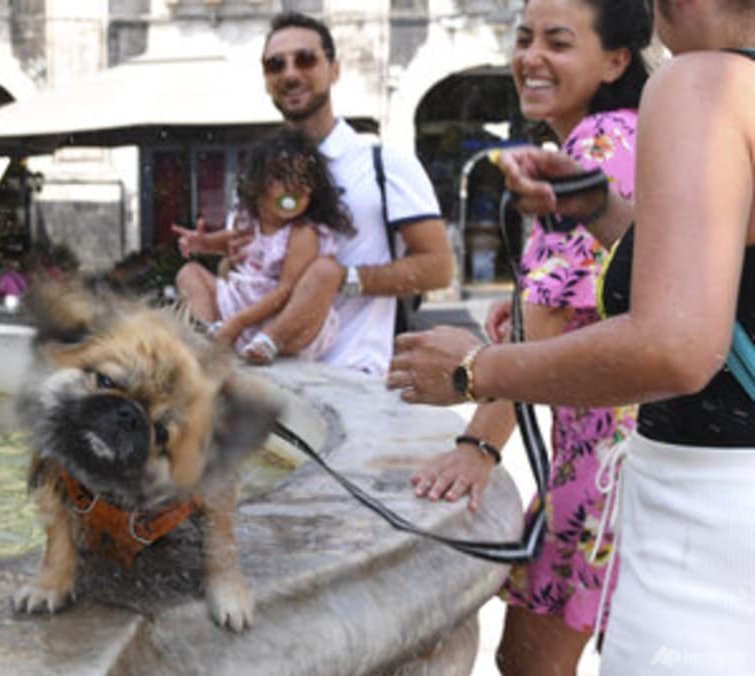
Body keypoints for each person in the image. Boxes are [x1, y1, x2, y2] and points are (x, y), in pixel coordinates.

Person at [387, 0, 755, 671]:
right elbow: (724, 282)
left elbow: (676, 344)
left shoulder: (703, 81)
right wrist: (603, 210)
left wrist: (476, 373)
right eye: (524, 38)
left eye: (557, 42)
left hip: (703, 509)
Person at [409, 0, 651, 673]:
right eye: (523, 38)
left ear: (616, 59)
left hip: (601, 470)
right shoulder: (632, 135)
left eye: (558, 42)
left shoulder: (597, 145)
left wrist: (478, 445)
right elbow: (604, 290)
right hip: (625, 459)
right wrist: (520, 310)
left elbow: (546, 317)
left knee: (528, 663)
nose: (530, 58)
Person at [175, 11, 453, 375]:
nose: (290, 73)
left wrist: (341, 278)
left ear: (334, 69)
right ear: (266, 79)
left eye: (305, 59)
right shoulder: (257, 175)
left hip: (351, 380)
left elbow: (438, 268)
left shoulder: (384, 164)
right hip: (256, 382)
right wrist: (230, 258)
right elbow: (238, 272)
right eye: (275, 65)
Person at [177, 128, 355, 363]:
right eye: (281, 177)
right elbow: (231, 242)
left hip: (284, 322)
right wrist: (203, 243)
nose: (293, 188)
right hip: (237, 311)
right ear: (255, 185)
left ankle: (269, 339)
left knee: (326, 272)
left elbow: (286, 290)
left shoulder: (302, 233)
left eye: (303, 180)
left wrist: (240, 322)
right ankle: (210, 332)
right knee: (189, 273)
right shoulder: (247, 221)